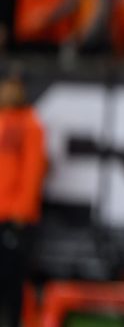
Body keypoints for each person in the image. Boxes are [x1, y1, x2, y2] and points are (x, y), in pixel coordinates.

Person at [0, 73, 47, 327]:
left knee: (10, 284)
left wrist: (20, 212)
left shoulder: (29, 123)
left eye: (15, 87)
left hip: (12, 219)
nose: (10, 92)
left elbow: (33, 171)